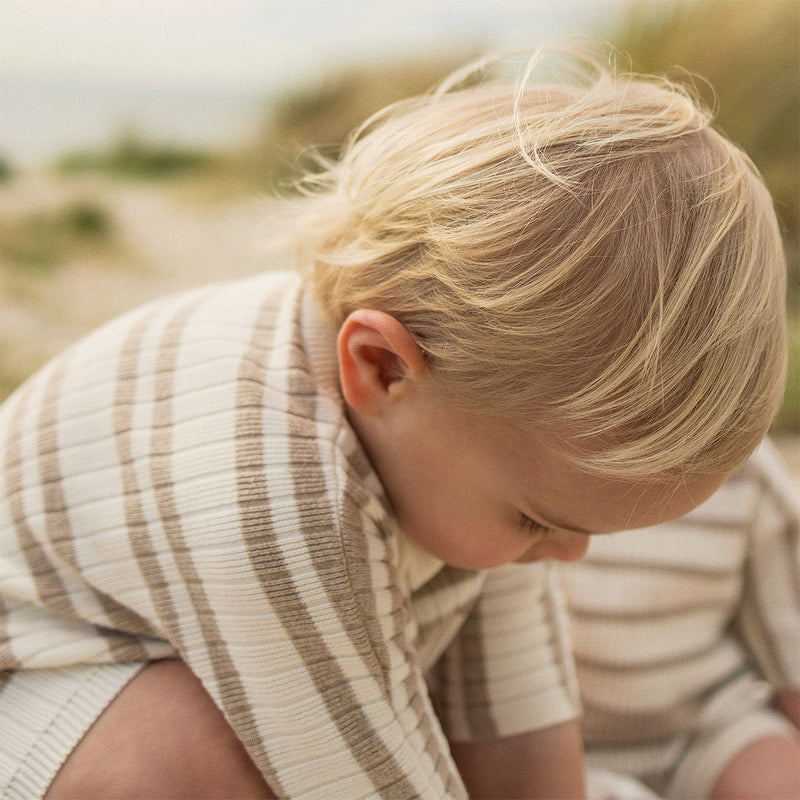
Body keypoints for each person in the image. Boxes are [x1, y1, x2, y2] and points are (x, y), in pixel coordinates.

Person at [0, 44, 788, 799]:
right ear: (380, 368)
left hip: (182, 657)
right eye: (537, 519)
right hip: (35, 670)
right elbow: (358, 780)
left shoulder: (465, 417)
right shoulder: (270, 491)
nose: (570, 555)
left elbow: (517, 714)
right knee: (185, 755)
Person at [562, 438, 800, 800]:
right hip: (566, 741)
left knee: (777, 780)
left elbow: (789, 645)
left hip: (710, 725)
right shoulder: (551, 456)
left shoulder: (746, 469)